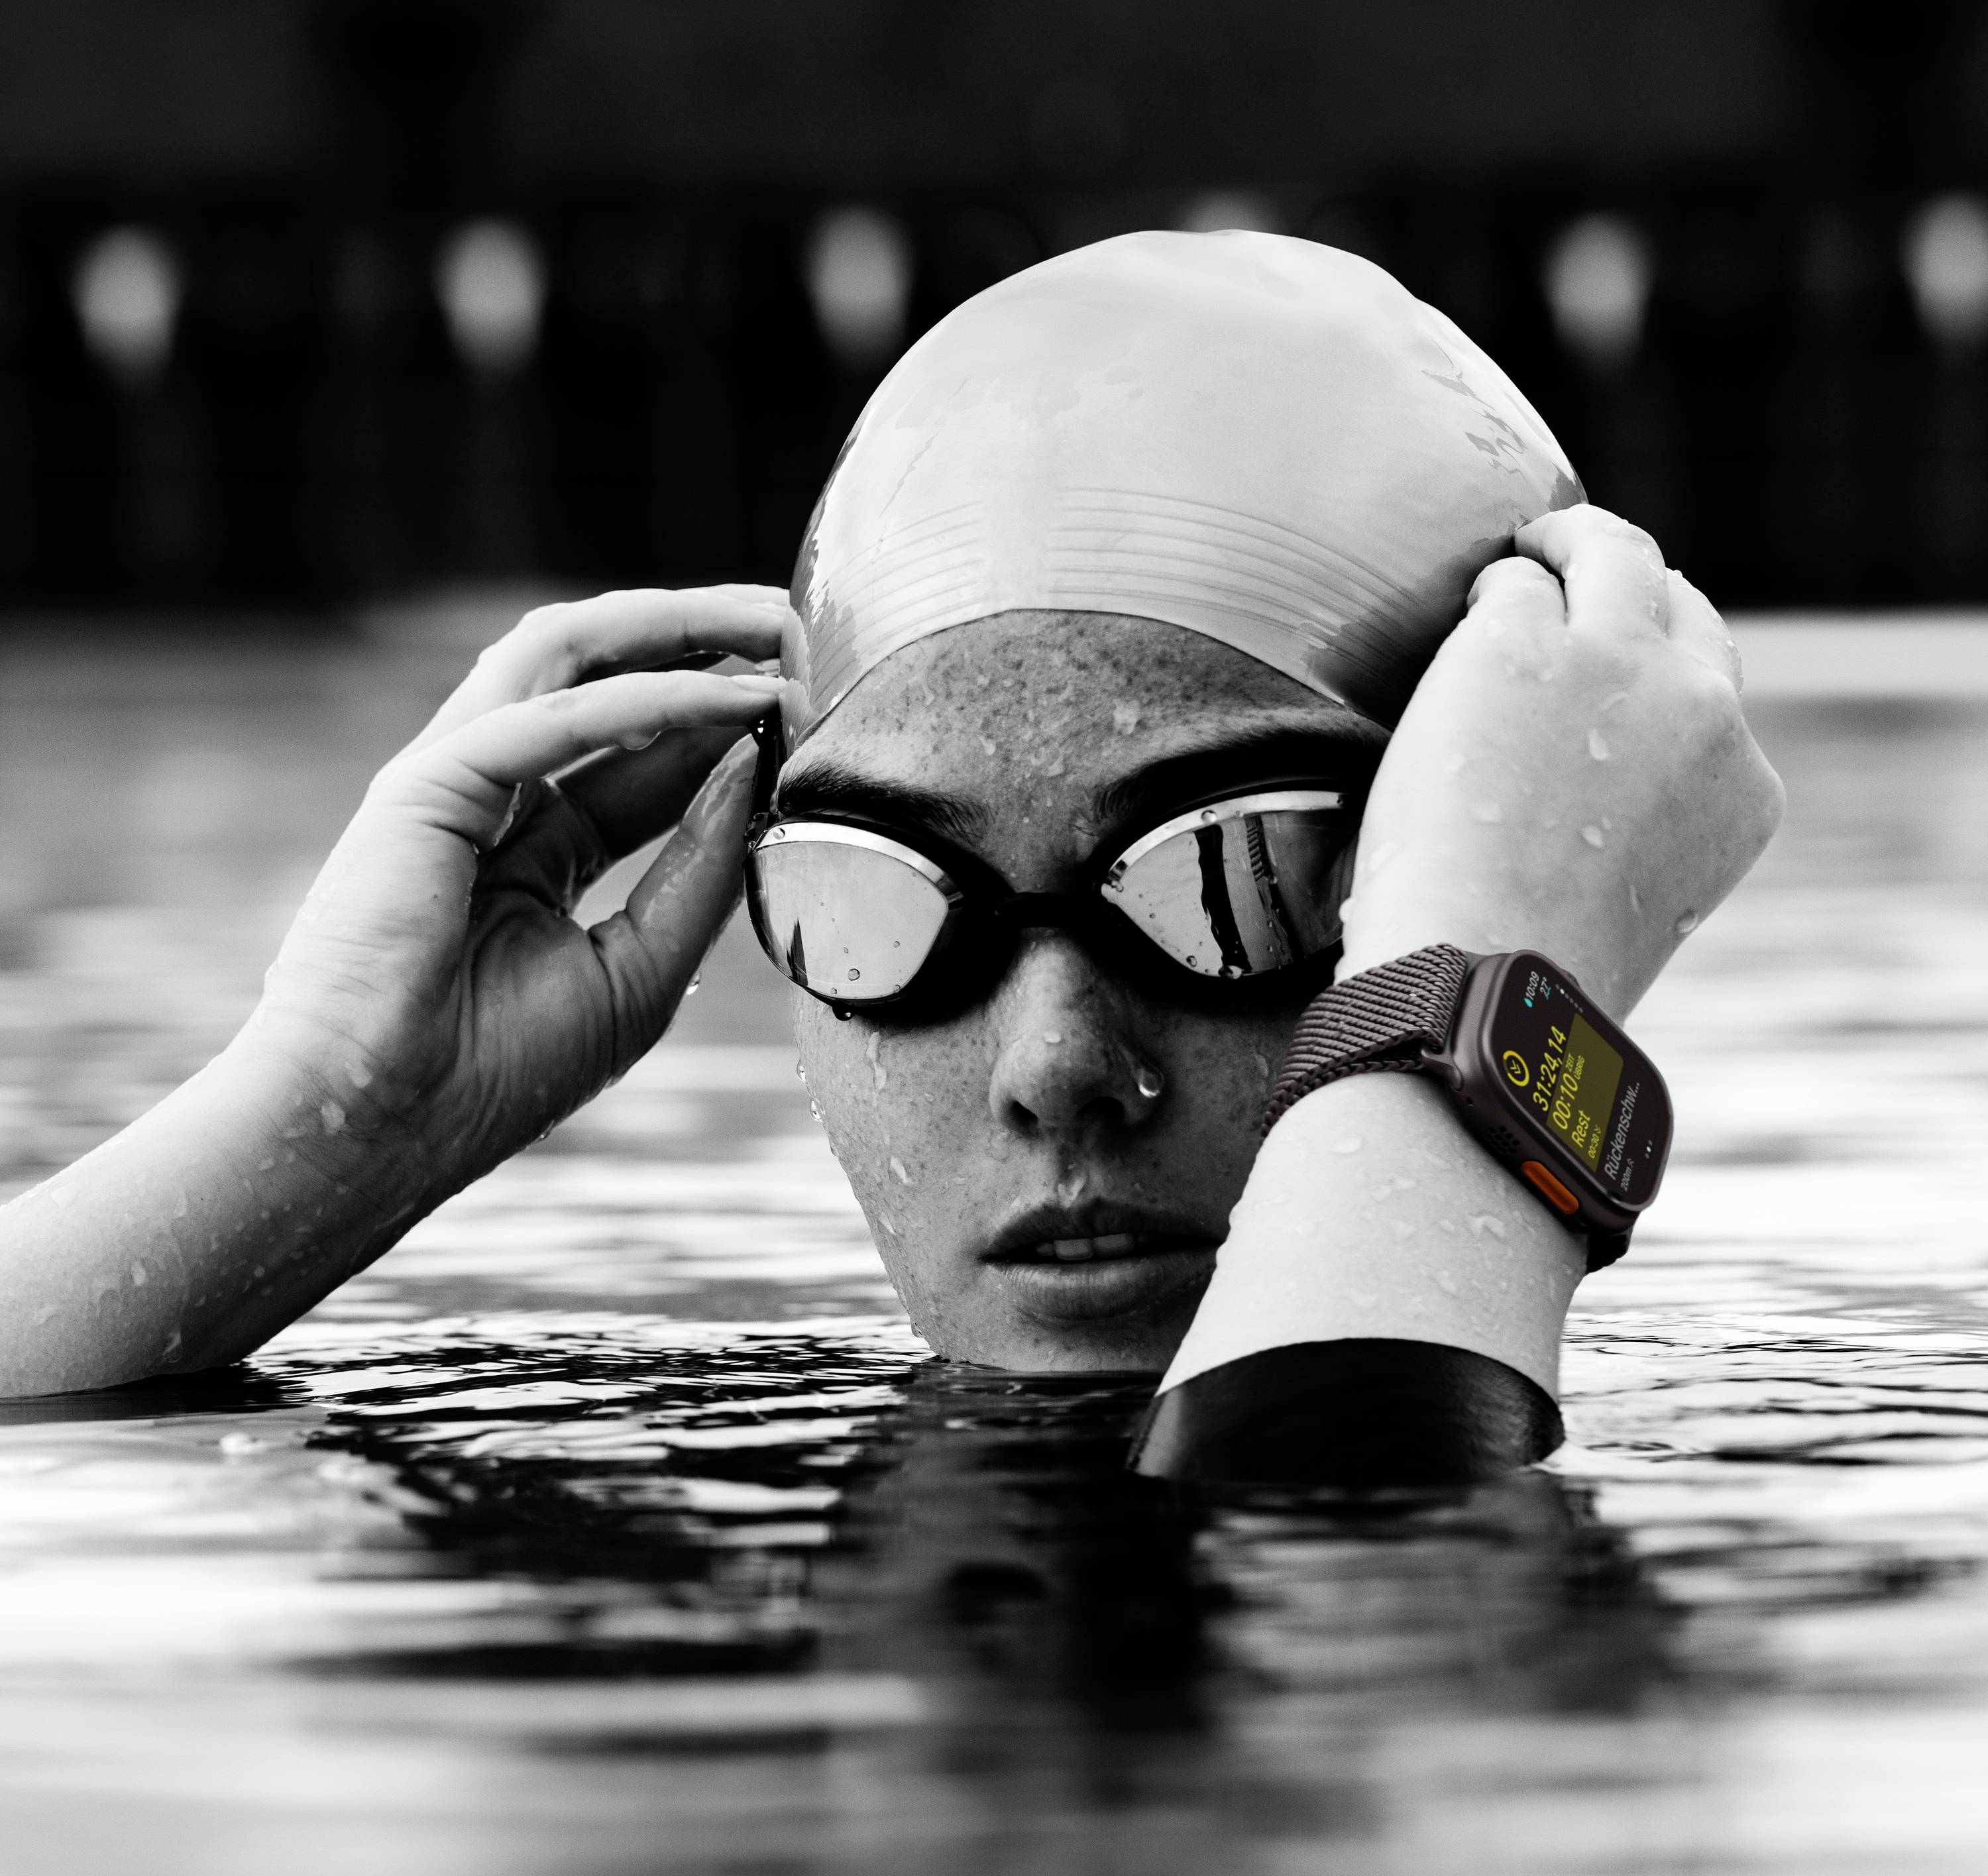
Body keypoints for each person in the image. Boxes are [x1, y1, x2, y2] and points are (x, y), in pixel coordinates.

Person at [0, 232, 1783, 1437]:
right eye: (883, 903)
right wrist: (328, 1119)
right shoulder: (681, 1500)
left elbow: (1362, 1670)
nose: (1057, 1070)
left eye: (1233, 878)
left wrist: (1471, 1011)